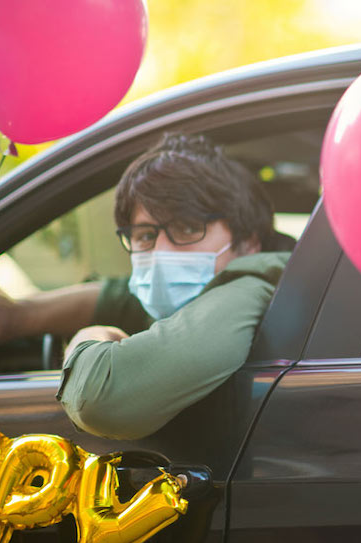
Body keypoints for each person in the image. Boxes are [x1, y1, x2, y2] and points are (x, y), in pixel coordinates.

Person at [45, 133, 289, 439]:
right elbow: (120, 297)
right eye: (146, 236)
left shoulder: (250, 286)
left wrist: (88, 338)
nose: (161, 252)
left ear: (248, 243)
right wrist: (13, 317)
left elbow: (100, 400)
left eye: (187, 228)